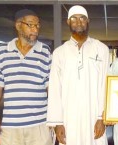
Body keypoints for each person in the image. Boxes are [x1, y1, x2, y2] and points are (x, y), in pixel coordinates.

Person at [0, 9, 52, 145]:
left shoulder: (45, 51)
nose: (35, 29)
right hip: (11, 127)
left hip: (39, 125)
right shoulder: (2, 51)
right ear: (18, 25)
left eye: (38, 25)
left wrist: (55, 119)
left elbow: (50, 88)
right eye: (30, 25)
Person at [46, 5, 109, 145]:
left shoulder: (102, 49)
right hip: (68, 119)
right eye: (74, 18)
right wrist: (57, 122)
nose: (78, 22)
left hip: (94, 117)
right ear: (68, 22)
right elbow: (55, 89)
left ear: (88, 21)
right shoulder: (59, 53)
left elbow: (105, 85)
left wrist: (102, 117)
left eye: (82, 18)